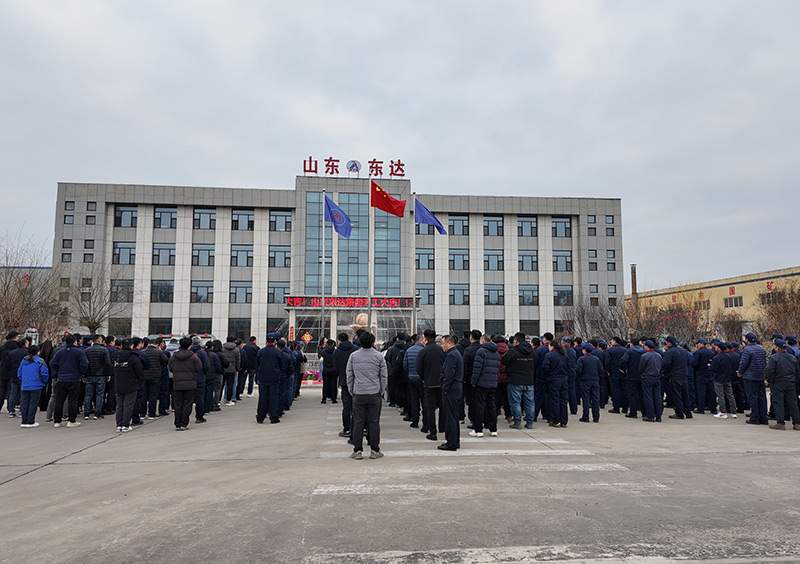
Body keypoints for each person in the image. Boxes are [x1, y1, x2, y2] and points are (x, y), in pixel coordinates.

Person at [346, 331, 387, 460]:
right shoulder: (379, 356)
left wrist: (352, 389)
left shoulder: (353, 356)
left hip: (358, 393)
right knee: (374, 422)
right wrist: (381, 390)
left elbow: (349, 375)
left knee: (358, 422)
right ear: (373, 342)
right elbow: (384, 376)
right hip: (374, 393)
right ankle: (375, 450)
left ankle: (357, 450)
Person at [50, 334, 89, 428]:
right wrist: (80, 372)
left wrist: (59, 370)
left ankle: (57, 421)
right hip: (74, 378)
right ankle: (71, 420)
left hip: (61, 378)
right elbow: (84, 364)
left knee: (59, 400)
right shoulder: (79, 352)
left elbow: (52, 363)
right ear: (75, 342)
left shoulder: (60, 352)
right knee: (72, 400)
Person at [502, 332, 536, 429]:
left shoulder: (513, 351)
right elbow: (536, 362)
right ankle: (530, 422)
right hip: (529, 380)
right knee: (529, 402)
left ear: (516, 341)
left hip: (515, 380)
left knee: (515, 402)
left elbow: (504, 361)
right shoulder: (532, 352)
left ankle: (517, 421)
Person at [416, 329, 446, 441]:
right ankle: (442, 427)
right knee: (442, 406)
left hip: (428, 384)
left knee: (430, 408)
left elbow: (418, 368)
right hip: (441, 383)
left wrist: (424, 377)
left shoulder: (423, 352)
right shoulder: (441, 350)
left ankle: (432, 432)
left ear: (425, 338)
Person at [167, 337, 203, 431]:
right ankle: (184, 423)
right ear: (189, 346)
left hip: (177, 383)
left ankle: (177, 423)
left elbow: (170, 368)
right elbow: (199, 368)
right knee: (187, 404)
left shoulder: (173, 357)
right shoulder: (194, 357)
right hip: (190, 383)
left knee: (178, 404)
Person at [765, 338, 800, 430]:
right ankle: (797, 423)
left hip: (778, 382)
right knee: (793, 403)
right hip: (791, 383)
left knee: (778, 402)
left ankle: (780, 422)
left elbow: (770, 371)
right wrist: (795, 381)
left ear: (776, 347)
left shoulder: (774, 358)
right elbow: (797, 372)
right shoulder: (793, 358)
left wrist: (770, 381)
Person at [470, 334, 501, 436]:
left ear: (482, 341)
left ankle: (478, 429)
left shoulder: (481, 351)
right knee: (492, 406)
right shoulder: (496, 352)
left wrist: (473, 382)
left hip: (482, 383)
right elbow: (498, 369)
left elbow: (477, 369)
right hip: (492, 383)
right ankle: (493, 429)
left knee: (480, 406)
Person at [438, 334, 463, 451]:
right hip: (455, 388)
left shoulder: (452, 355)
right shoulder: (455, 353)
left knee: (450, 417)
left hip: (451, 389)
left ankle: (451, 442)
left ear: (449, 343)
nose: (442, 346)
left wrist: (445, 388)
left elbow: (449, 374)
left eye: (443, 344)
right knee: (453, 416)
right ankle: (455, 441)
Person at [114, 339, 144, 432]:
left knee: (119, 405)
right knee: (128, 405)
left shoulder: (115, 356)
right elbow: (139, 372)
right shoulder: (134, 357)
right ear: (131, 346)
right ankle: (125, 424)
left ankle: (119, 424)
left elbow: (112, 368)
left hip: (118, 383)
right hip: (131, 383)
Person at [739, 332, 768, 425]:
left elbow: (743, 363)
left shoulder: (747, 350)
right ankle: (763, 417)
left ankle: (754, 417)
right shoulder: (762, 349)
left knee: (753, 397)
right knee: (762, 397)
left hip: (750, 376)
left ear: (747, 340)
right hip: (760, 375)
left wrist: (740, 372)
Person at [17, 344, 49, 428]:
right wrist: (43, 382)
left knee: (24, 403)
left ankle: (24, 421)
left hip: (25, 384)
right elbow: (45, 373)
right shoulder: (40, 361)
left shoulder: (23, 361)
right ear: (38, 352)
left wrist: (23, 380)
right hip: (36, 385)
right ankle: (30, 421)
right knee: (33, 403)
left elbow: (19, 373)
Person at [256, 333, 284, 424]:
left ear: (266, 341)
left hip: (263, 378)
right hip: (274, 378)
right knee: (274, 397)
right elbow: (281, 365)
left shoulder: (261, 351)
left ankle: (260, 416)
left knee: (263, 398)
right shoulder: (278, 352)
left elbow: (258, 364)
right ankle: (273, 416)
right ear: (275, 341)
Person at [662, 336, 693, 420]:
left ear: (669, 343)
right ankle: (688, 412)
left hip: (674, 375)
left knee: (676, 394)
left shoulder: (670, 352)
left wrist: (666, 373)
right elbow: (688, 362)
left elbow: (666, 364)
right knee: (685, 394)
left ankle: (679, 413)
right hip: (684, 375)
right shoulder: (683, 351)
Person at [334, 333, 357, 438]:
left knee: (346, 406)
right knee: (356, 406)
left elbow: (336, 368)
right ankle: (356, 428)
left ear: (339, 340)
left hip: (344, 381)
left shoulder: (337, 351)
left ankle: (346, 428)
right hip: (356, 382)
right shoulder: (356, 349)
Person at [542, 339, 569, 428]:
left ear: (552, 346)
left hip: (553, 380)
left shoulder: (549, 355)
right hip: (564, 380)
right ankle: (564, 421)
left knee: (554, 400)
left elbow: (545, 367)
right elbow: (569, 367)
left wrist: (548, 375)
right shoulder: (564, 355)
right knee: (563, 401)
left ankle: (556, 420)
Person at [83, 335, 112, 420]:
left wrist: (84, 375)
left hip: (89, 374)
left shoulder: (87, 350)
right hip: (101, 375)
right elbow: (108, 363)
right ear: (100, 341)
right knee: (100, 394)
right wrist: (108, 374)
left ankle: (86, 413)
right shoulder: (104, 350)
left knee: (88, 395)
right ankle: (97, 412)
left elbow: (84, 363)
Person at [575, 343, 603, 423]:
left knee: (586, 399)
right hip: (595, 380)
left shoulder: (581, 359)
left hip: (585, 380)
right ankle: (596, 417)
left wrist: (580, 376)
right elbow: (601, 370)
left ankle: (586, 416)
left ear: (584, 350)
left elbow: (578, 370)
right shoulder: (596, 359)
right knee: (595, 399)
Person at [141, 337, 168, 419]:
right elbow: (165, 361)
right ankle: (151, 413)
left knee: (144, 395)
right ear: (156, 345)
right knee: (153, 395)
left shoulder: (143, 352)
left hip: (144, 375)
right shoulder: (158, 352)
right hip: (155, 375)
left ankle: (142, 413)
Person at [4, 338, 30, 419]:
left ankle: (11, 410)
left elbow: (7, 364)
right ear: (24, 344)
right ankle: (22, 411)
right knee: (23, 394)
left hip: (14, 374)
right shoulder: (27, 352)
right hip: (24, 375)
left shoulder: (12, 353)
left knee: (13, 393)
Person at [402, 334, 424, 429]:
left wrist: (410, 372)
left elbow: (405, 365)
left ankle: (415, 421)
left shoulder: (409, 350)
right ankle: (425, 422)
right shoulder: (423, 351)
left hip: (411, 378)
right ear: (420, 340)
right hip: (421, 379)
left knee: (414, 400)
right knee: (424, 401)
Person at [639, 340, 663, 422]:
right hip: (657, 377)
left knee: (648, 396)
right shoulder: (659, 355)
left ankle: (650, 415)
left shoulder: (644, 356)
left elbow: (641, 368)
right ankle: (659, 415)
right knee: (658, 397)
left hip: (647, 377)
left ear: (647, 347)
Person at [620, 338, 645, 418]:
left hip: (631, 375)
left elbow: (623, 360)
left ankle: (633, 412)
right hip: (642, 375)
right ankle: (644, 412)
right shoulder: (644, 351)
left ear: (631, 344)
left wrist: (623, 368)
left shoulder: (630, 351)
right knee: (642, 394)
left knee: (632, 394)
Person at [711, 342, 736, 419]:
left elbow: (713, 368)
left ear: (719, 348)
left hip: (718, 378)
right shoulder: (729, 357)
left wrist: (710, 366)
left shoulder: (716, 358)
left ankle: (723, 412)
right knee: (730, 395)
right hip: (727, 378)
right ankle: (733, 412)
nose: (715, 348)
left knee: (720, 395)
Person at [691, 339, 716, 414]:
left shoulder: (699, 353)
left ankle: (701, 408)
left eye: (698, 343)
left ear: (701, 344)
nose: (697, 345)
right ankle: (713, 408)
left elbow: (693, 363)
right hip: (709, 373)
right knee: (711, 391)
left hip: (700, 373)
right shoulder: (711, 352)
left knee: (701, 391)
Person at [606, 337, 628, 414]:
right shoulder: (625, 350)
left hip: (613, 372)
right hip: (623, 372)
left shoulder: (610, 350)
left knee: (615, 390)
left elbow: (608, 361)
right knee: (624, 389)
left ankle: (616, 407)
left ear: (614, 341)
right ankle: (625, 408)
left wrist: (608, 370)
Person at [319, 337, 338, 404]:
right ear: (332, 344)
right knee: (334, 385)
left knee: (325, 385)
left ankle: (324, 398)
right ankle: (333, 399)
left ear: (327, 344)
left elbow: (321, 358)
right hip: (334, 370)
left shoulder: (324, 351)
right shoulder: (335, 351)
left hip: (326, 369)